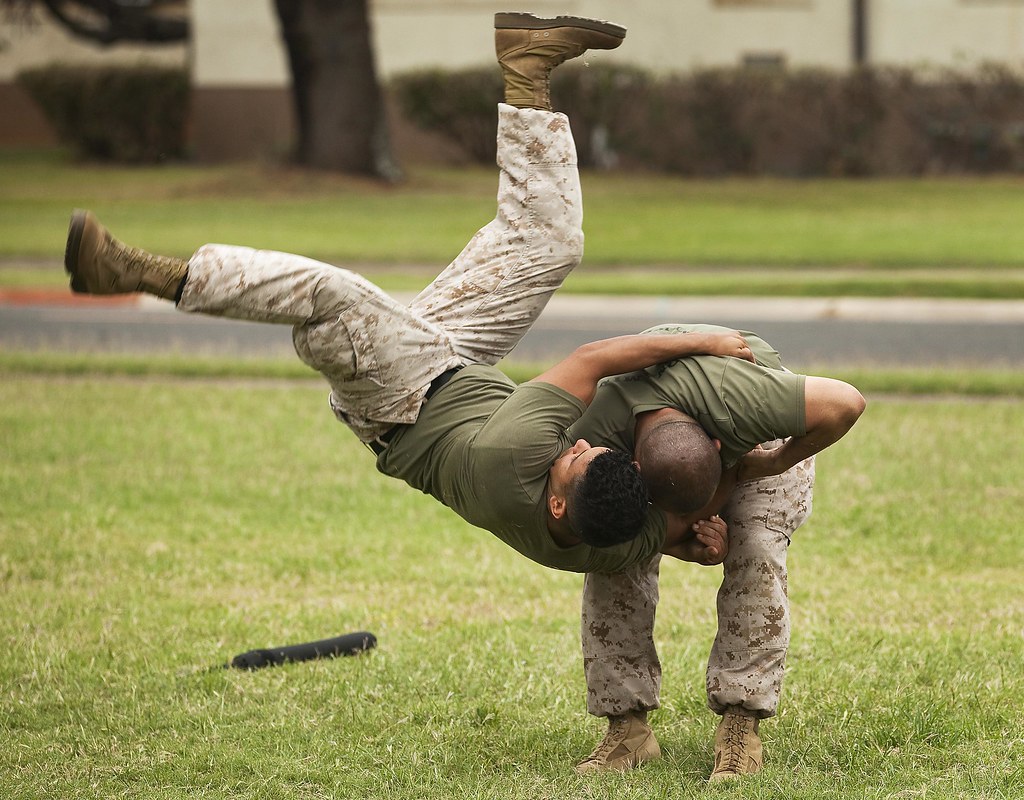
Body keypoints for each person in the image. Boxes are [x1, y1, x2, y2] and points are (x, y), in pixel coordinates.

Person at [62, 14, 749, 575]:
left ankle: (138, 273)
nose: (580, 449)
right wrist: (688, 538)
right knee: (549, 243)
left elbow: (597, 358)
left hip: (399, 396)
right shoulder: (603, 532)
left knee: (335, 296)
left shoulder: (509, 467)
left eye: (576, 462)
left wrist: (703, 340)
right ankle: (527, 69)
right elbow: (643, 531)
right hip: (454, 362)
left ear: (559, 507)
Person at [568, 324, 865, 781]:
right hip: (658, 443)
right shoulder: (599, 430)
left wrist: (771, 463)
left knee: (755, 550)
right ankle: (627, 729)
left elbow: (846, 403)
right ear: (633, 465)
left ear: (718, 445)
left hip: (760, 450)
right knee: (616, 553)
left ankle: (740, 725)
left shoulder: (749, 403)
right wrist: (685, 544)